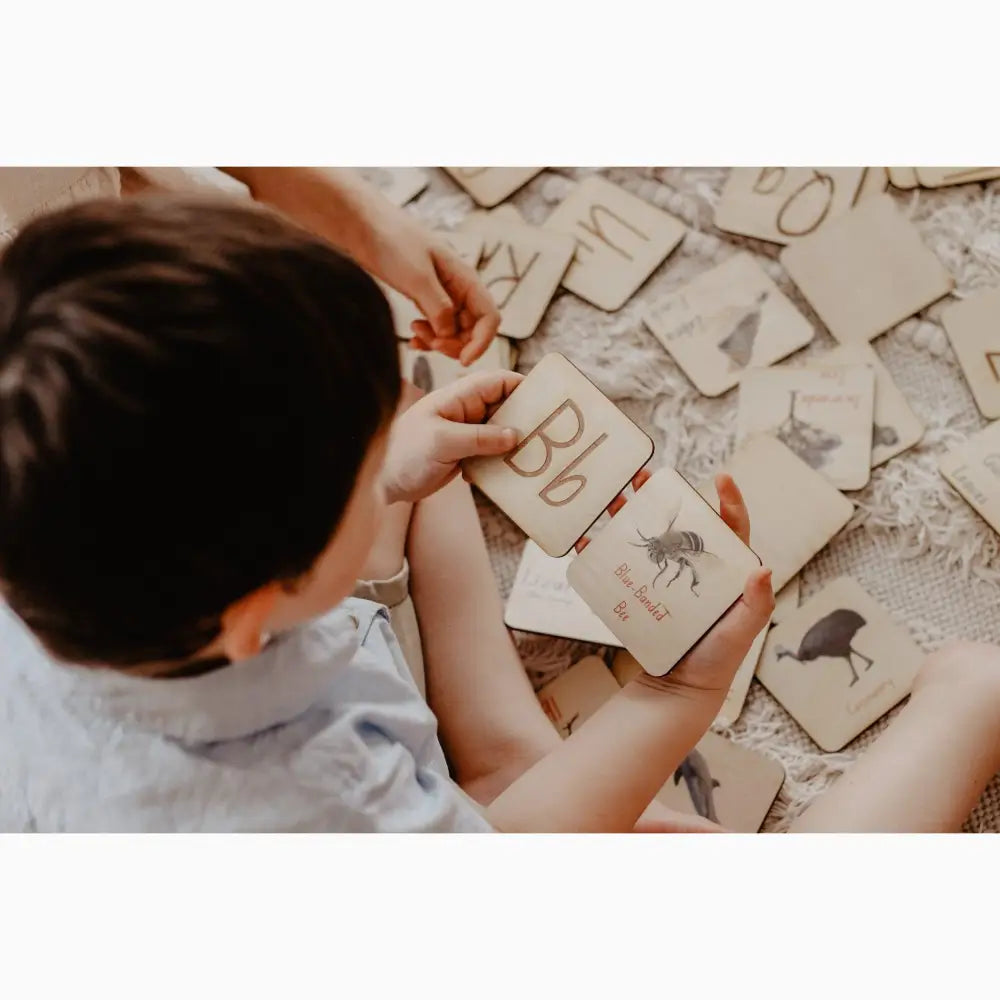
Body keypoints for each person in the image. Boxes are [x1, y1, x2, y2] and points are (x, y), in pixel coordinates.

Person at [1, 195, 999, 832]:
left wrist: (385, 471)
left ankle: (504, 751)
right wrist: (673, 696)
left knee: (424, 412)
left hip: (292, 706)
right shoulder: (325, 810)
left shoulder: (51, 527)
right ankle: (973, 696)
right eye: (358, 468)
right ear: (264, 597)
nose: (383, 443)